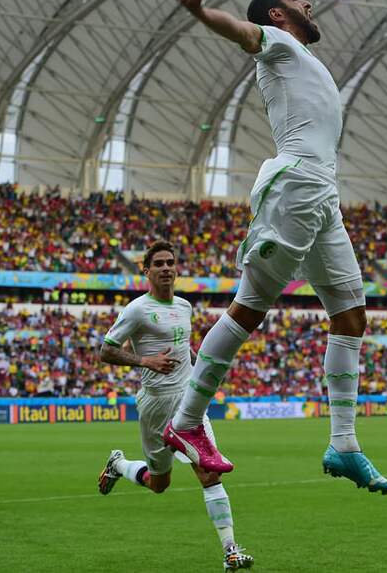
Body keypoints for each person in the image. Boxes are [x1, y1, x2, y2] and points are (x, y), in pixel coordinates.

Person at [163, 0, 387, 496]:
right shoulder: (277, 40)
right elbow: (242, 32)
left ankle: (344, 444)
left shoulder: (303, 57)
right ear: (278, 13)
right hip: (295, 186)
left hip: (322, 196)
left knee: (352, 315)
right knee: (250, 307)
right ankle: (185, 421)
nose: (307, 2)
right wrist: (203, 12)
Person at [96, 242, 254, 571]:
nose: (167, 268)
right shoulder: (137, 309)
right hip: (155, 405)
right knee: (159, 484)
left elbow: (183, 349)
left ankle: (230, 550)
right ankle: (120, 464)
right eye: (159, 264)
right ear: (147, 270)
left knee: (208, 472)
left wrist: (203, 370)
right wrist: (145, 360)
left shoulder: (184, 306)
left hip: (188, 403)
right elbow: (106, 351)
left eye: (171, 263)